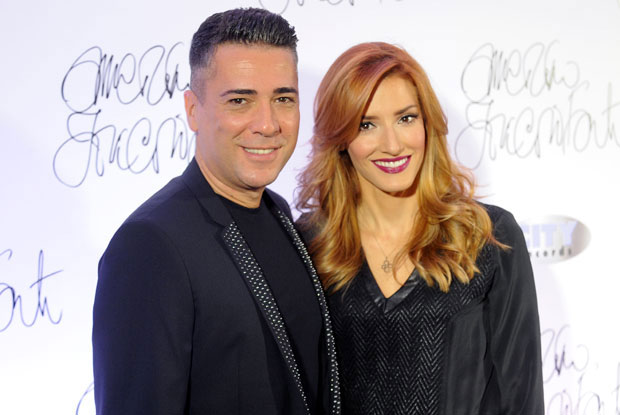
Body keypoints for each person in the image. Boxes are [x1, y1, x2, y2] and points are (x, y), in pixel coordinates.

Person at [93, 8, 340, 415]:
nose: (267, 124)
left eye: (283, 99)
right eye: (240, 101)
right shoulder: (149, 245)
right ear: (193, 110)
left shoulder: (278, 212)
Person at [296, 42, 544, 415]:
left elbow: (521, 397)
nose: (392, 144)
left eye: (406, 118)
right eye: (366, 125)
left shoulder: (487, 236)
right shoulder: (312, 244)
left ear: (428, 122)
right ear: (340, 139)